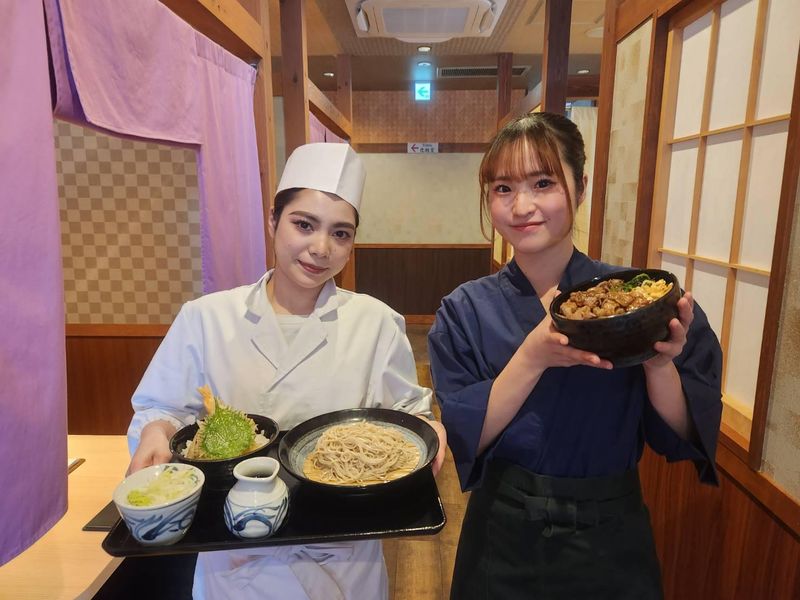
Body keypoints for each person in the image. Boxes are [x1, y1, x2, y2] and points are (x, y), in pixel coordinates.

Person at [127, 142, 446, 600]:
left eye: (341, 234)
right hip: (235, 551)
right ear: (273, 221)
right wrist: (156, 432)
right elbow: (161, 407)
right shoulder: (206, 317)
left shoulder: (375, 322)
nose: (321, 248)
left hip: (342, 550)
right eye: (304, 224)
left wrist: (429, 427)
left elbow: (405, 414)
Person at [427, 112, 722, 600]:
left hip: (612, 532)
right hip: (502, 533)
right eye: (503, 188)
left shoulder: (636, 300)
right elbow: (467, 434)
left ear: (580, 188)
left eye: (543, 183)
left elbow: (682, 434)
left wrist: (658, 362)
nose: (522, 206)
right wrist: (533, 356)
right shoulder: (465, 310)